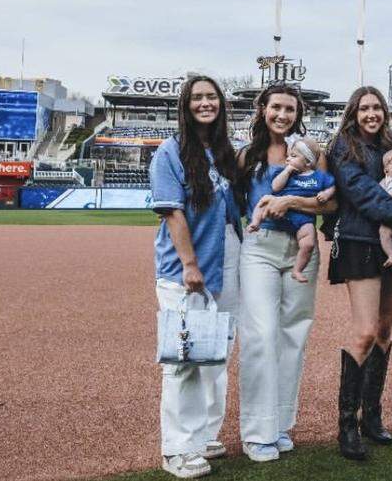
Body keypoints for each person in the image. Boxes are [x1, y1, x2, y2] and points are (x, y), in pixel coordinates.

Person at [326, 86, 392, 460]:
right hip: (359, 240)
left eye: (377, 108)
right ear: (354, 112)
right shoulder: (343, 147)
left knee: (385, 330)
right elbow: (361, 191)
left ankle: (372, 415)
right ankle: (346, 426)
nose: (372, 113)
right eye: (365, 108)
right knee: (366, 332)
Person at [236, 84, 334, 462]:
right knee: (260, 335)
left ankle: (278, 425)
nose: (282, 115)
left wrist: (294, 200)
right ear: (263, 109)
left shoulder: (311, 152)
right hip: (260, 247)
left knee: (294, 334)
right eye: (276, 107)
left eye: (290, 109)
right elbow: (236, 204)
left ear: (298, 113)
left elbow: (331, 201)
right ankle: (256, 431)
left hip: (302, 247)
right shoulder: (248, 155)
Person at [150, 76, 240, 479]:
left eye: (211, 97)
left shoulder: (223, 153)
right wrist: (189, 264)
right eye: (198, 97)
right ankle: (176, 448)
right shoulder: (170, 152)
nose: (206, 103)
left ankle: (202, 435)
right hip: (186, 269)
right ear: (185, 106)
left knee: (215, 355)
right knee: (184, 359)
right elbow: (172, 212)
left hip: (226, 264)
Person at [246, 139, 335, 283]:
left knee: (308, 243)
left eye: (294, 156)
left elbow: (331, 187)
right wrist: (287, 170)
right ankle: (256, 222)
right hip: (278, 215)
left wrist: (326, 194)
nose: (288, 158)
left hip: (302, 218)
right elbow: (275, 187)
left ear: (307, 162)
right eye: (289, 155)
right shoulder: (286, 172)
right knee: (264, 199)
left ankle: (297, 270)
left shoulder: (317, 176)